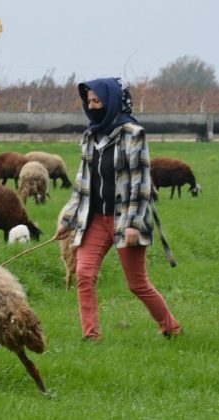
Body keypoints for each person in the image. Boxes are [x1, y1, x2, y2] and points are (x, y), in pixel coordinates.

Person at [54, 77, 182, 341]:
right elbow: (81, 183)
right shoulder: (90, 137)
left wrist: (134, 223)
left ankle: (171, 327)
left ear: (110, 101)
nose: (92, 106)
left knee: (137, 284)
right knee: (84, 275)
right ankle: (91, 336)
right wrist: (67, 219)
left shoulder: (133, 135)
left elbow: (141, 182)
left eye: (97, 100)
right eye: (89, 101)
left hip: (125, 220)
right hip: (96, 219)